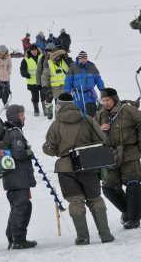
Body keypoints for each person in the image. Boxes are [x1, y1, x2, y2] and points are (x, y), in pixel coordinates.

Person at [42, 93, 115, 245]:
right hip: (88, 164)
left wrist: (47, 146)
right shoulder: (87, 120)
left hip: (66, 169)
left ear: (59, 106)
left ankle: (83, 238)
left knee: (75, 202)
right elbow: (102, 139)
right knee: (95, 199)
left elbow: (50, 150)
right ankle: (105, 235)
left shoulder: (56, 125)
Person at [94, 88, 141, 229]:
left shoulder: (128, 110)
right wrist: (100, 129)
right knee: (108, 187)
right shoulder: (99, 114)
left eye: (108, 100)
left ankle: (134, 218)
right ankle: (127, 210)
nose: (105, 103)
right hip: (109, 155)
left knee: (133, 184)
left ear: (115, 99)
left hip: (129, 153)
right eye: (103, 100)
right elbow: (92, 133)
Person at [0, 104, 37, 249]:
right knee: (21, 207)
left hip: (12, 178)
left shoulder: (7, 131)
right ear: (14, 117)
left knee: (18, 207)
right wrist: (29, 152)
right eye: (21, 114)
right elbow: (19, 154)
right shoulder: (15, 133)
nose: (24, 117)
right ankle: (18, 239)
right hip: (18, 178)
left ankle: (13, 237)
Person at [64, 51, 104, 117]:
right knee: (79, 113)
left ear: (87, 58)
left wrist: (103, 90)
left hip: (89, 94)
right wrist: (67, 92)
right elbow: (68, 81)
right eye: (81, 58)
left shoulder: (92, 67)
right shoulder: (73, 68)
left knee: (90, 112)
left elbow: (99, 80)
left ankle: (89, 123)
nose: (83, 60)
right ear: (78, 59)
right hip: (78, 95)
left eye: (84, 58)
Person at [44, 48, 72, 119]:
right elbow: (45, 75)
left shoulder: (65, 61)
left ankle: (65, 116)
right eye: (56, 57)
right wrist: (44, 85)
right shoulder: (49, 63)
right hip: (56, 87)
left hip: (65, 86)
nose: (58, 58)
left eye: (59, 56)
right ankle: (58, 118)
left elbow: (72, 70)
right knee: (58, 103)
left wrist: (70, 61)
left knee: (66, 102)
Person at [20, 44, 45, 116]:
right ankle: (36, 110)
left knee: (44, 96)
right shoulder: (26, 59)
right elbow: (22, 69)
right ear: (30, 51)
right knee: (35, 97)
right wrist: (26, 74)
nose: (34, 51)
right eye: (33, 50)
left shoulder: (42, 57)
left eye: (35, 50)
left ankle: (45, 110)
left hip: (42, 80)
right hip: (32, 81)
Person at [36, 43, 55, 117]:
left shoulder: (57, 58)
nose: (50, 53)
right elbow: (38, 72)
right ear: (46, 51)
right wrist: (38, 83)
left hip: (56, 83)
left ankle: (58, 114)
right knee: (47, 100)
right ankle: (48, 113)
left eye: (51, 51)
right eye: (48, 51)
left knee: (58, 100)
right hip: (46, 84)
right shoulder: (43, 58)